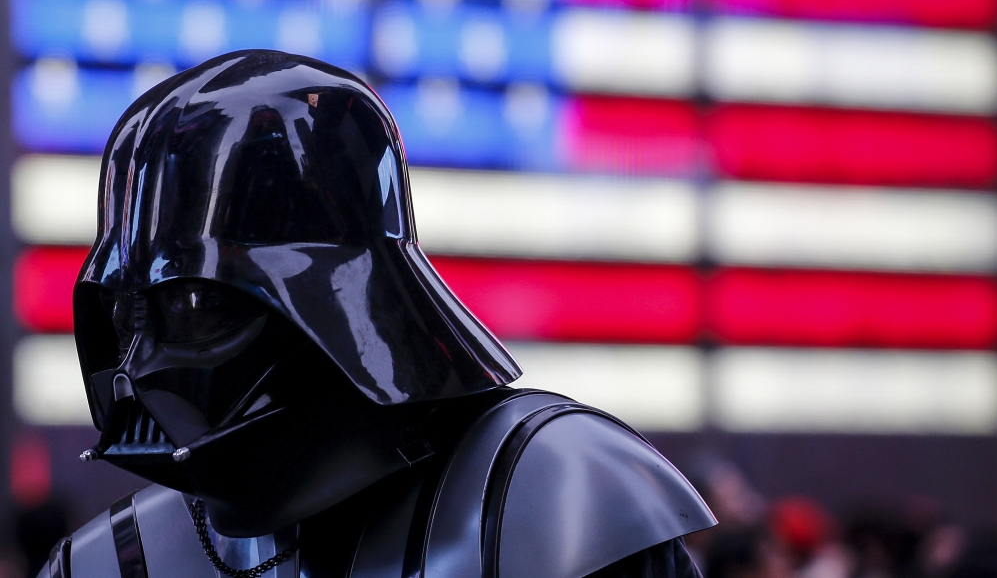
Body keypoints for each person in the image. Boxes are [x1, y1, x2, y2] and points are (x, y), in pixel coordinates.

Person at [47, 50, 716, 578]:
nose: (136, 369)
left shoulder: (549, 495)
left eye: (193, 306)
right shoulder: (114, 558)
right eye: (129, 317)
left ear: (329, 305)